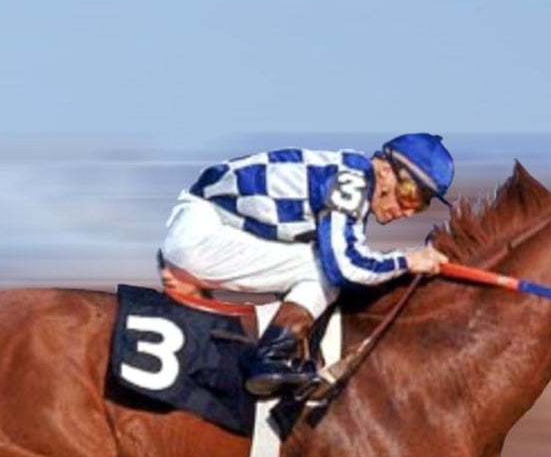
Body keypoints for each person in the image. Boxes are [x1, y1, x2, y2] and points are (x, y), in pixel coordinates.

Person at [159, 133, 453, 398]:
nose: (409, 210)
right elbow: (345, 266)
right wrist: (407, 260)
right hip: (200, 233)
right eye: (410, 193)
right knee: (325, 270)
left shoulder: (351, 177)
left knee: (319, 261)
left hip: (208, 227)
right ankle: (270, 355)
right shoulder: (352, 180)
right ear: (386, 170)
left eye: (421, 204)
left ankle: (282, 349)